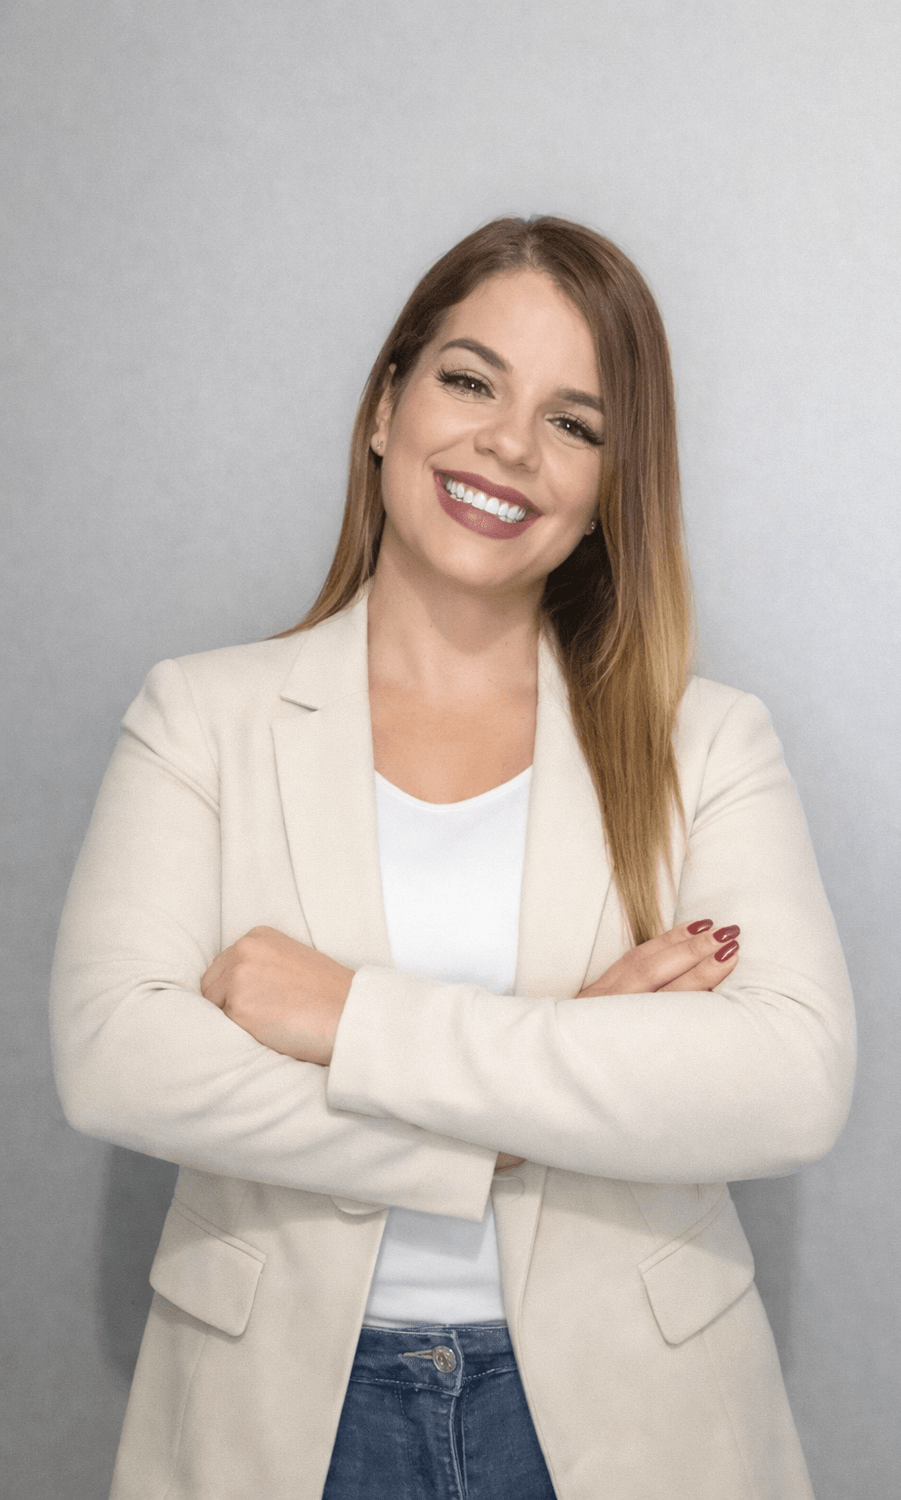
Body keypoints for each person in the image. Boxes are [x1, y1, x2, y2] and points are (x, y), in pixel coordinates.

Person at [50, 216, 855, 1500]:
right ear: (386, 406)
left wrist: (348, 1016)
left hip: (632, 1415)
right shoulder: (198, 715)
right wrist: (529, 1109)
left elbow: (789, 1083)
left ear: (609, 489)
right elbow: (117, 1059)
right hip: (279, 1418)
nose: (510, 446)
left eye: (574, 423)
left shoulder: (704, 743)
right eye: (472, 381)